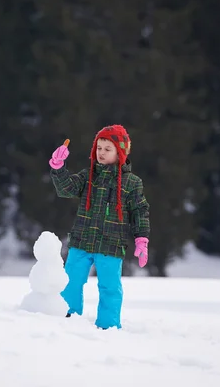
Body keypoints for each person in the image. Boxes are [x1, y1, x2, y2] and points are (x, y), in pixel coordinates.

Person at [48, 124, 150, 329]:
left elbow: (140, 211)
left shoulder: (132, 183)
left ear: (120, 152)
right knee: (71, 282)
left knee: (110, 288)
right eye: (99, 148)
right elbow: (66, 189)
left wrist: (141, 239)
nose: (101, 153)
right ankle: (67, 318)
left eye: (107, 149)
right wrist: (58, 167)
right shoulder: (88, 176)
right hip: (82, 241)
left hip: (112, 245)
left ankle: (108, 325)